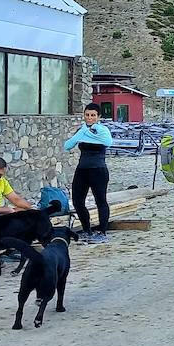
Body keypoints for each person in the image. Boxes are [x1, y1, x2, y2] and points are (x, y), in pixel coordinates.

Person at [63, 102, 114, 243]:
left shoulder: (103, 130)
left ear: (98, 117)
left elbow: (108, 142)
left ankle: (102, 232)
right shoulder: (82, 130)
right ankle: (87, 230)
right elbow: (67, 145)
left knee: (101, 201)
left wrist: (89, 132)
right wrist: (83, 132)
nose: (90, 118)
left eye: (93, 115)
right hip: (82, 170)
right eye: (87, 115)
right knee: (78, 201)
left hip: (98, 170)